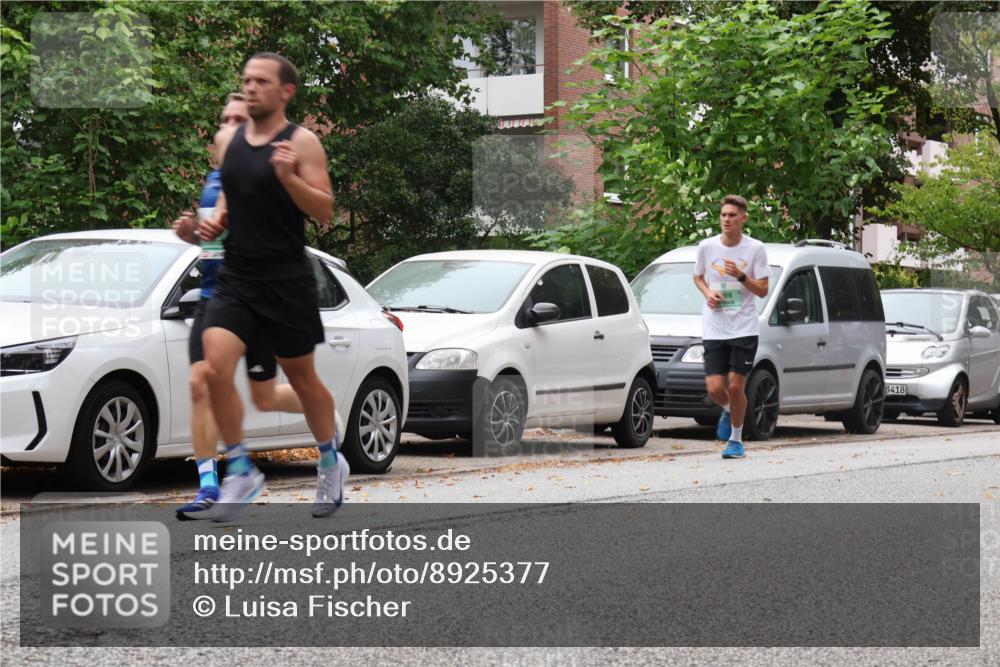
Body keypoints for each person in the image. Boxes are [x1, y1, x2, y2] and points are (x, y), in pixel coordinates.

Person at [199, 53, 345, 520]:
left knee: (302, 380)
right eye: (246, 80)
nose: (251, 87)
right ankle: (240, 468)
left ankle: (329, 459)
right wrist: (207, 224)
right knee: (213, 368)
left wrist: (286, 178)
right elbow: (226, 202)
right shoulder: (229, 141)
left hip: (286, 278)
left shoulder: (302, 143)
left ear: (286, 91)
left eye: (262, 81)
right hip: (238, 275)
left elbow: (323, 211)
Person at [171, 93, 305, 520]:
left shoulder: (263, 177)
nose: (228, 125)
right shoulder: (213, 180)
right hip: (215, 299)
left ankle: (319, 407)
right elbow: (213, 242)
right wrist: (192, 233)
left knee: (264, 397)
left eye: (238, 119)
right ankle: (210, 483)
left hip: (256, 298)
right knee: (200, 383)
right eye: (224, 118)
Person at [693, 195, 770, 459]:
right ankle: (729, 409)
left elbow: (762, 290)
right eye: (723, 215)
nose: (726, 219)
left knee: (737, 387)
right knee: (715, 389)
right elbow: (698, 276)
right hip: (715, 326)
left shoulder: (755, 249)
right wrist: (707, 293)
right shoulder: (707, 246)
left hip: (744, 327)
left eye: (732, 215)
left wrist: (740, 275)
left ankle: (736, 440)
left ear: (743, 219)